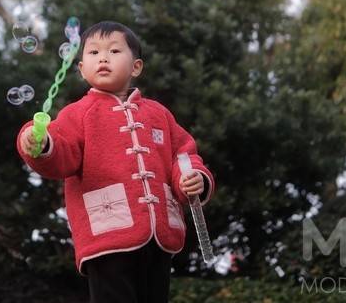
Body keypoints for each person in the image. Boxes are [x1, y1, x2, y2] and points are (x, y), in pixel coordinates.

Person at [16, 20, 215, 303]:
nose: (104, 58)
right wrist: (41, 144)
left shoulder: (159, 114)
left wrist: (194, 178)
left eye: (114, 51)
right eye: (94, 53)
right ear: (82, 69)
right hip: (106, 237)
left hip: (159, 239)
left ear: (136, 67)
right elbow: (61, 154)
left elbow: (183, 154)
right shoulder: (78, 114)